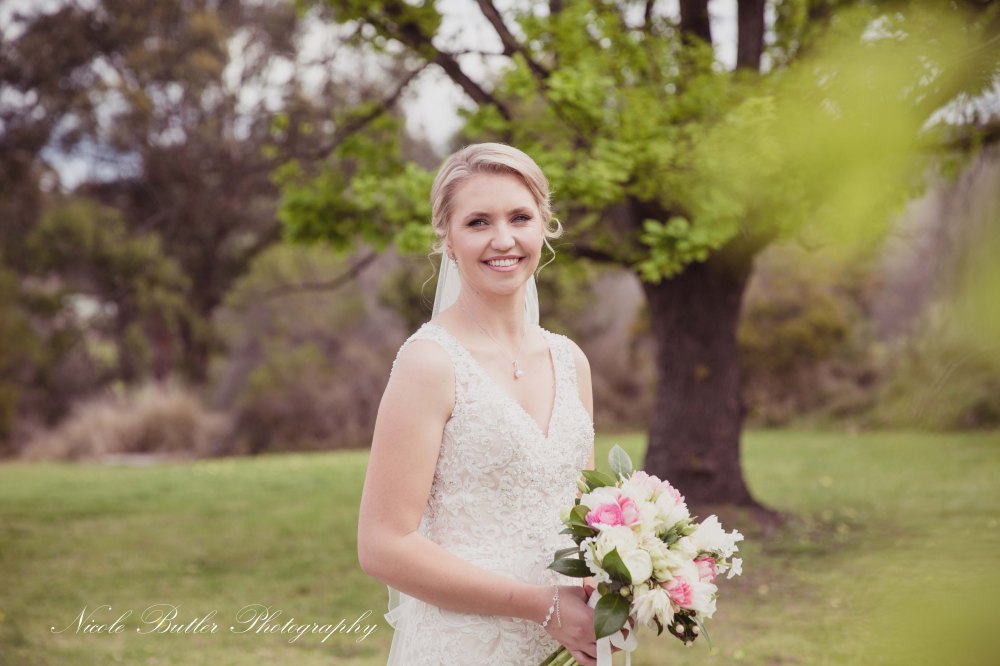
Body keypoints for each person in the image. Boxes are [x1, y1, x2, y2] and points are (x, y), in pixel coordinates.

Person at [356, 142, 602, 665]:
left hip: (570, 645)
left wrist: (622, 582)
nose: (503, 239)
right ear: (448, 240)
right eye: (478, 222)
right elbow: (382, 545)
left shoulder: (570, 360)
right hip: (468, 645)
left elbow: (585, 518)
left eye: (520, 217)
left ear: (545, 226)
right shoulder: (429, 363)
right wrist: (540, 606)